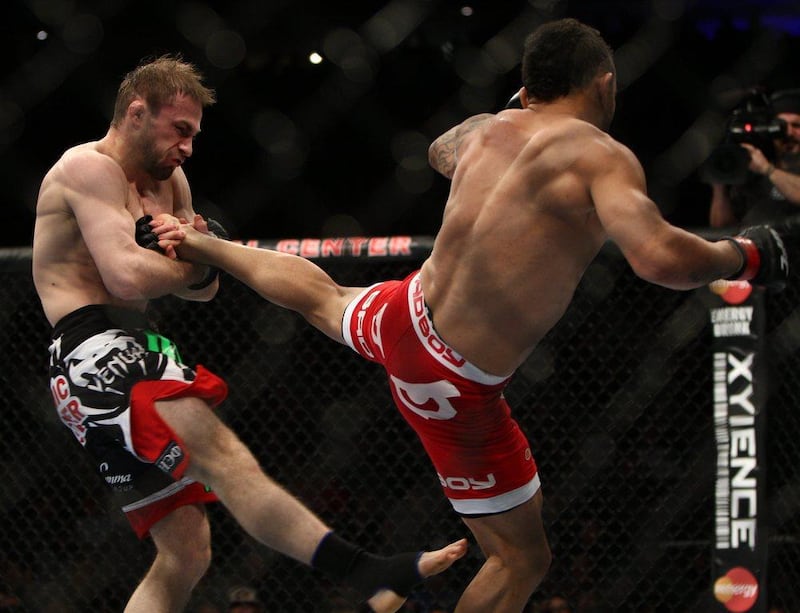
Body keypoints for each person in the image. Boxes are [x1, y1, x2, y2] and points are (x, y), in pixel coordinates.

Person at [151, 19, 790, 613]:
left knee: (322, 296)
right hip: (454, 378)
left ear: (528, 86)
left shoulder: (485, 129)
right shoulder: (599, 154)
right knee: (521, 558)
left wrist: (506, 119)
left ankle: (205, 243)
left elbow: (437, 150)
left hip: (405, 312)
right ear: (605, 82)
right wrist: (744, 254)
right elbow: (657, 258)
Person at [31, 54, 466, 613]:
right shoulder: (86, 169)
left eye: (195, 135)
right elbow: (130, 273)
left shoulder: (172, 181)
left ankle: (368, 575)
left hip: (139, 345)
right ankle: (366, 573)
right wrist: (199, 258)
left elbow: (205, 289)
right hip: (93, 349)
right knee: (224, 455)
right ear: (136, 113)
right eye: (179, 131)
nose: (187, 147)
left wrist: (199, 260)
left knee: (186, 553)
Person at [709, 88, 800, 228]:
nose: (788, 133)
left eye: (796, 125)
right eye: (780, 126)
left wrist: (767, 169)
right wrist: (719, 187)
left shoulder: (764, 168)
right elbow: (721, 226)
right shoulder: (754, 172)